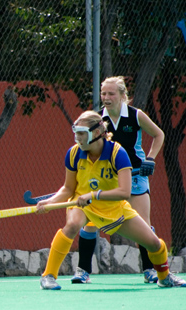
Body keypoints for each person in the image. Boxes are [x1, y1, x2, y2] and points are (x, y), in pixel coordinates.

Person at [37, 111, 186, 290]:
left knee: (154, 243)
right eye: (76, 132)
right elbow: (68, 189)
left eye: (82, 133)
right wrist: (50, 202)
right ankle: (48, 276)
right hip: (82, 204)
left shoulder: (118, 153)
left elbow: (124, 192)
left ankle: (165, 277)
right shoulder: (74, 153)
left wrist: (93, 196)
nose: (77, 138)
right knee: (72, 225)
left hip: (113, 207)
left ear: (97, 132)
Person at [72, 76, 165, 284]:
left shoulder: (136, 116)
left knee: (144, 224)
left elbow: (159, 135)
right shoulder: (97, 121)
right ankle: (83, 271)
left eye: (111, 93)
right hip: (106, 179)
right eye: (103, 93)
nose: (106, 97)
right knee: (89, 223)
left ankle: (150, 270)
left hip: (136, 176)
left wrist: (150, 158)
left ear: (123, 96)